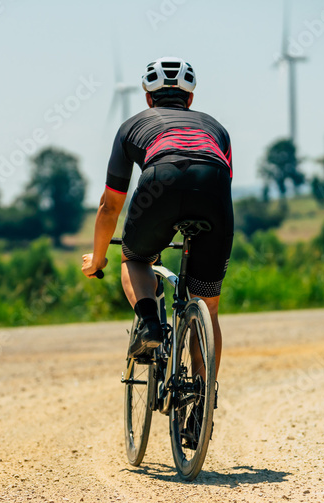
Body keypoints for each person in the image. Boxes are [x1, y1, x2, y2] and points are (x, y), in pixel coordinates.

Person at [81, 56, 233, 367]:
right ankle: (203, 404)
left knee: (135, 258)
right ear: (190, 98)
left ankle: (149, 324)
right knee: (209, 305)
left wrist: (97, 260)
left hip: (160, 181)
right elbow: (220, 183)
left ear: (148, 98)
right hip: (214, 185)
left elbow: (111, 206)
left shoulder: (131, 127)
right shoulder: (217, 129)